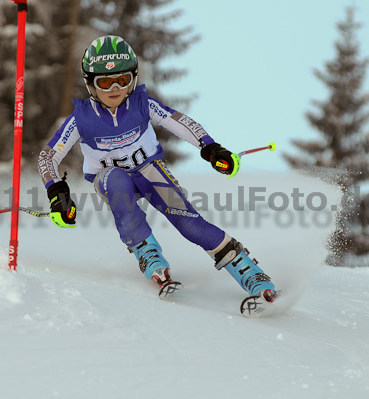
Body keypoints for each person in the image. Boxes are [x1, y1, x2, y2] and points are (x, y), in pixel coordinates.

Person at [38, 35, 277, 302]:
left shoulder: (141, 104)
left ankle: (251, 274)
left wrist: (210, 148)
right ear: (90, 84)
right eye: (105, 82)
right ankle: (147, 252)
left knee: (190, 225)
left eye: (123, 79)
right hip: (110, 180)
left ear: (134, 79)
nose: (114, 88)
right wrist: (57, 192)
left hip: (150, 171)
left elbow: (180, 121)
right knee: (116, 179)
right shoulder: (81, 119)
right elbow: (48, 157)